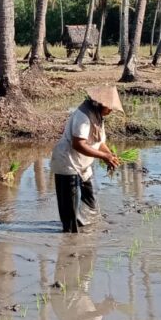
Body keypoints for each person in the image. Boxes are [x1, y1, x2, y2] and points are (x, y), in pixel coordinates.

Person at [50, 86, 122, 233]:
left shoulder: (97, 116)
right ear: (99, 103)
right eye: (109, 107)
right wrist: (104, 156)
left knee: (91, 199)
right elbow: (78, 144)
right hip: (68, 163)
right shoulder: (83, 116)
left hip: (83, 164)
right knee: (70, 210)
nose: (111, 110)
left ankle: (86, 229)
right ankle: (71, 242)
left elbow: (99, 142)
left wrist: (110, 155)